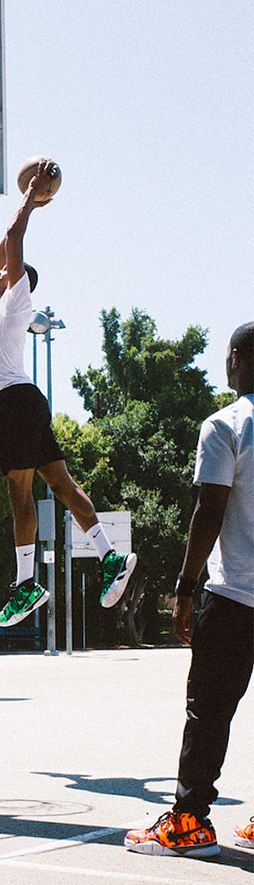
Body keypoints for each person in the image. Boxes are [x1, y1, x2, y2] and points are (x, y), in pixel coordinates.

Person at [0, 160, 136, 629]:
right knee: (62, 485)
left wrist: (30, 197)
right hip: (26, 402)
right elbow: (2, 247)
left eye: (6, 266)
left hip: (13, 404)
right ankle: (110, 556)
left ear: (17, 275)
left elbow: (12, 236)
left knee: (19, 492)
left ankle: (26, 582)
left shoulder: (17, 298)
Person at [125, 323, 253, 857]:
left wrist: (183, 587)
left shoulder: (226, 425)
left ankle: (190, 823)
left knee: (209, 709)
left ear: (236, 358)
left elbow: (210, 508)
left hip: (235, 597)